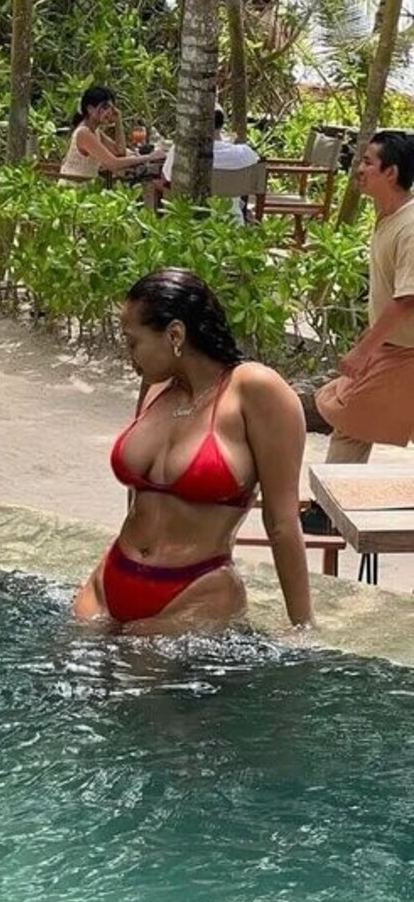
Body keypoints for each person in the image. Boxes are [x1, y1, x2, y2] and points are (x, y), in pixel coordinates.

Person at [73, 268, 313, 634]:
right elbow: (138, 499)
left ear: (175, 334)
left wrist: (303, 627)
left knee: (136, 671)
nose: (128, 356)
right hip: (111, 580)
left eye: (133, 342)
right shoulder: (156, 387)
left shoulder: (255, 390)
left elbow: (282, 522)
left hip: (197, 591)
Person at [307, 130, 414, 478]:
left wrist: (363, 352)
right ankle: (331, 499)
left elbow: (406, 299)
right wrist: (370, 340)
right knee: (351, 422)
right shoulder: (389, 217)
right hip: (394, 347)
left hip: (405, 353)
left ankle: (330, 499)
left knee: (350, 416)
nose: (359, 168)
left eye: (368, 162)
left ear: (391, 172)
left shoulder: (410, 226)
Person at [156, 108, 260, 220]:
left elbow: (166, 177)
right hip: (232, 220)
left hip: (191, 221)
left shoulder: (181, 151)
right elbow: (256, 173)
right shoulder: (244, 153)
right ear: (221, 125)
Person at [59, 85, 167, 181]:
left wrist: (118, 121)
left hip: (87, 186)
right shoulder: (84, 133)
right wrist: (150, 157)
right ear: (90, 109)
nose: (109, 112)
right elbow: (113, 164)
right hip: (73, 188)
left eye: (111, 108)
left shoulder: (95, 131)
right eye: (105, 107)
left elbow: (119, 152)